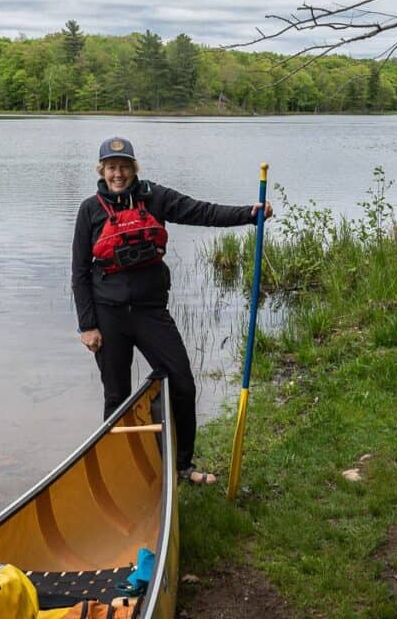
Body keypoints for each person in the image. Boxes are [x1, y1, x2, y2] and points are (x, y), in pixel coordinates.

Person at [71, 137, 272, 485]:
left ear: (134, 169)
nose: (118, 174)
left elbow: (201, 212)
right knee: (116, 395)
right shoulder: (89, 210)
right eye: (111, 167)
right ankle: (119, 471)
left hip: (150, 312)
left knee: (182, 383)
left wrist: (249, 215)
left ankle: (181, 466)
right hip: (109, 316)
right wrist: (88, 326)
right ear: (101, 171)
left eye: (124, 167)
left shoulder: (156, 198)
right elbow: (79, 273)